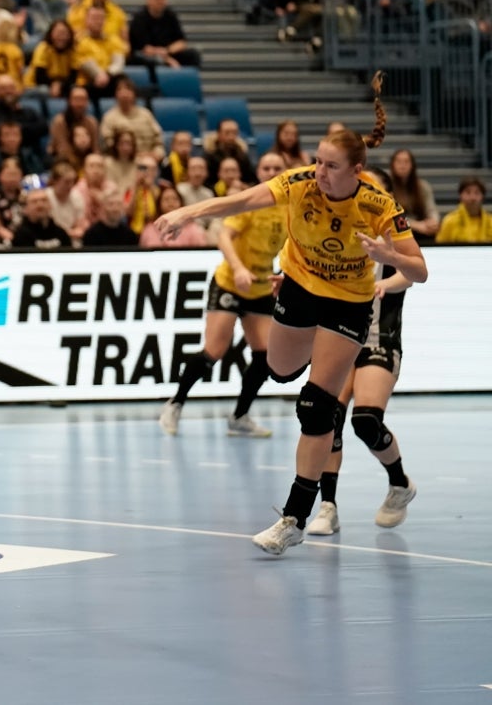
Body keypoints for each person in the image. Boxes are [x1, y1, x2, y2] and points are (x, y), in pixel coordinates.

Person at [155, 76, 428, 555]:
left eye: (330, 166)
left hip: (349, 302)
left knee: (316, 406)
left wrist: (390, 253)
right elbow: (241, 200)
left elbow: (420, 270)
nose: (319, 171)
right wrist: (187, 213)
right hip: (299, 287)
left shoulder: (379, 205)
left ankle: (294, 518)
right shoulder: (300, 184)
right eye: (318, 161)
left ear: (357, 171)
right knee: (279, 370)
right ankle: (311, 367)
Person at [306, 167, 418, 536]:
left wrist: (387, 279)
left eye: (373, 187)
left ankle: (399, 483)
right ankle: (328, 506)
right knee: (327, 417)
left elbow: (413, 273)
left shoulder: (392, 232)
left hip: (378, 336)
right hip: (339, 335)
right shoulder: (334, 227)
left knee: (365, 420)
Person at [158, 152, 288, 438]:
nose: (271, 171)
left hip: (261, 286)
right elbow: (224, 237)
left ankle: (240, 417)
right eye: (266, 167)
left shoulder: (290, 207)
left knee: (266, 356)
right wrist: (239, 269)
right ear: (258, 171)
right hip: (230, 282)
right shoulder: (250, 202)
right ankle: (175, 403)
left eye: (277, 167)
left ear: (285, 171)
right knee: (214, 350)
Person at [436, 176, 492, 243]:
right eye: (468, 192)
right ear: (460, 195)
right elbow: (440, 248)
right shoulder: (449, 221)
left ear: (483, 196)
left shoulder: (490, 221)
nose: (473, 198)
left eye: (477, 193)